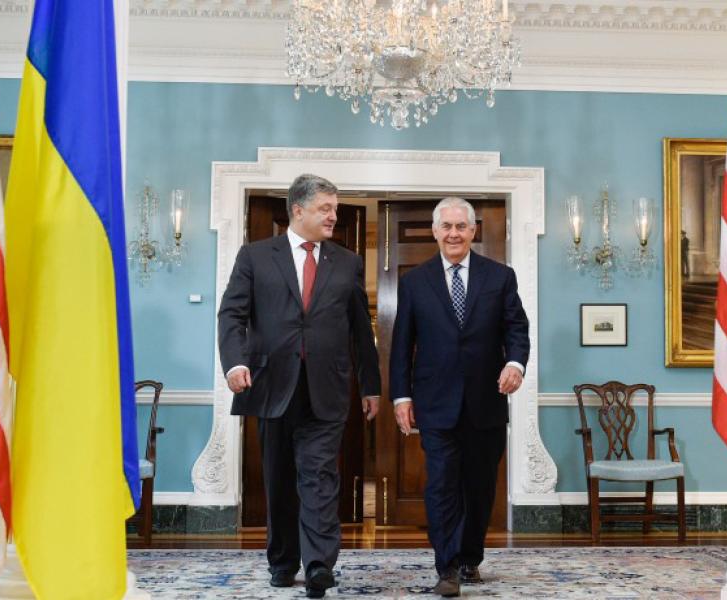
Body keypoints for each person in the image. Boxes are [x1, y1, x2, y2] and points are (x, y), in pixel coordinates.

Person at [217, 173, 381, 599]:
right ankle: (284, 561)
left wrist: (371, 386)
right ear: (298, 210)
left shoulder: (346, 263)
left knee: (320, 475)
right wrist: (234, 363)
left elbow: (360, 330)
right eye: (325, 208)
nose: (334, 215)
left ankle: (320, 565)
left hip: (327, 387)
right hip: (272, 385)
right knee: (279, 478)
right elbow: (231, 316)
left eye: (335, 207)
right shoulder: (254, 256)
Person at [390, 197, 530, 597]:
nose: (453, 233)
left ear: (473, 231)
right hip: (435, 403)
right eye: (446, 226)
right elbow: (403, 344)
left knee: (480, 485)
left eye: (461, 226)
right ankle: (447, 566)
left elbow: (516, 330)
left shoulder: (500, 277)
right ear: (435, 231)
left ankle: (470, 556)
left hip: (486, 400)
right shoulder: (415, 282)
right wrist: (401, 397)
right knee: (442, 485)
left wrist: (515, 364)